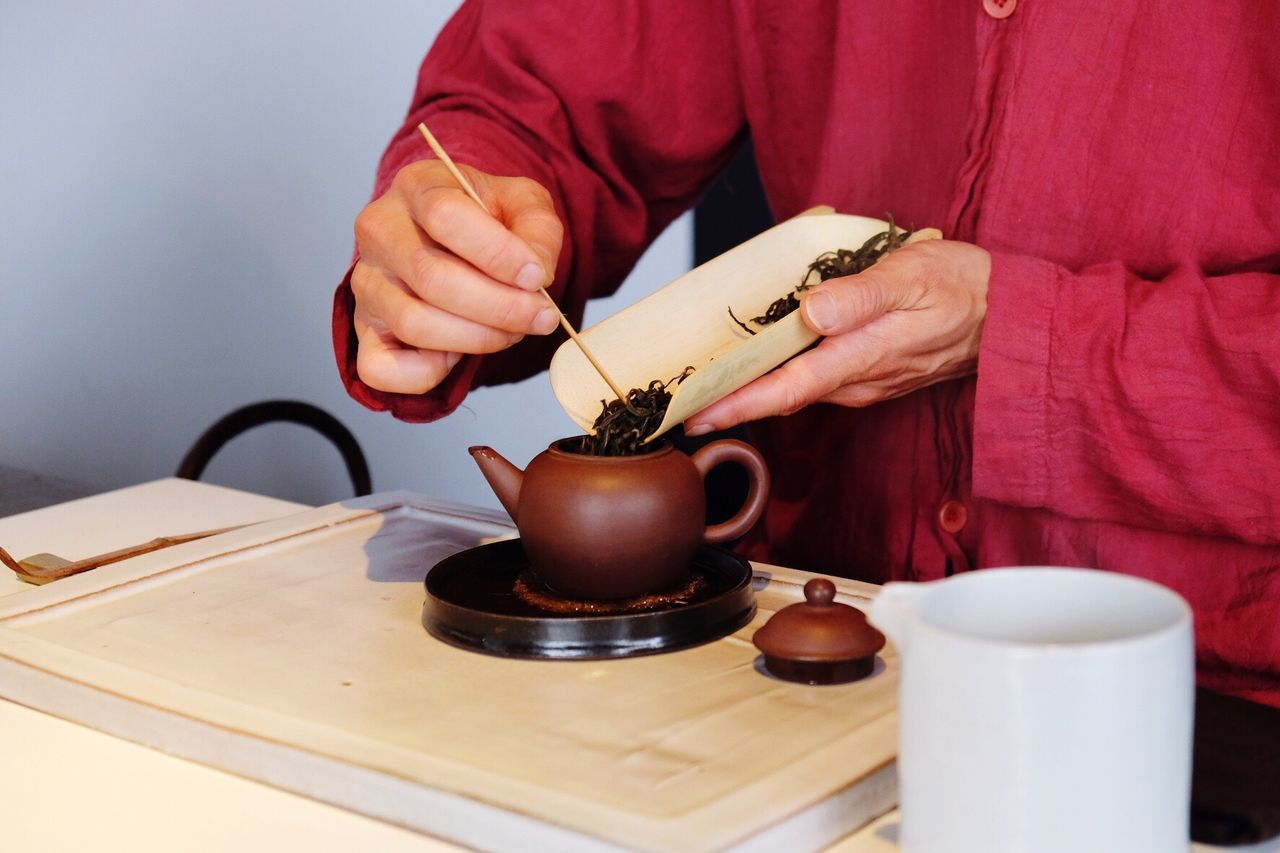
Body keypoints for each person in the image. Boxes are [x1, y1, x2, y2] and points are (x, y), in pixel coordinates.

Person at [333, 2, 1280, 706]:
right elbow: (541, 98)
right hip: (795, 668)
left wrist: (1024, 335)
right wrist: (458, 227)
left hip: (1214, 701)